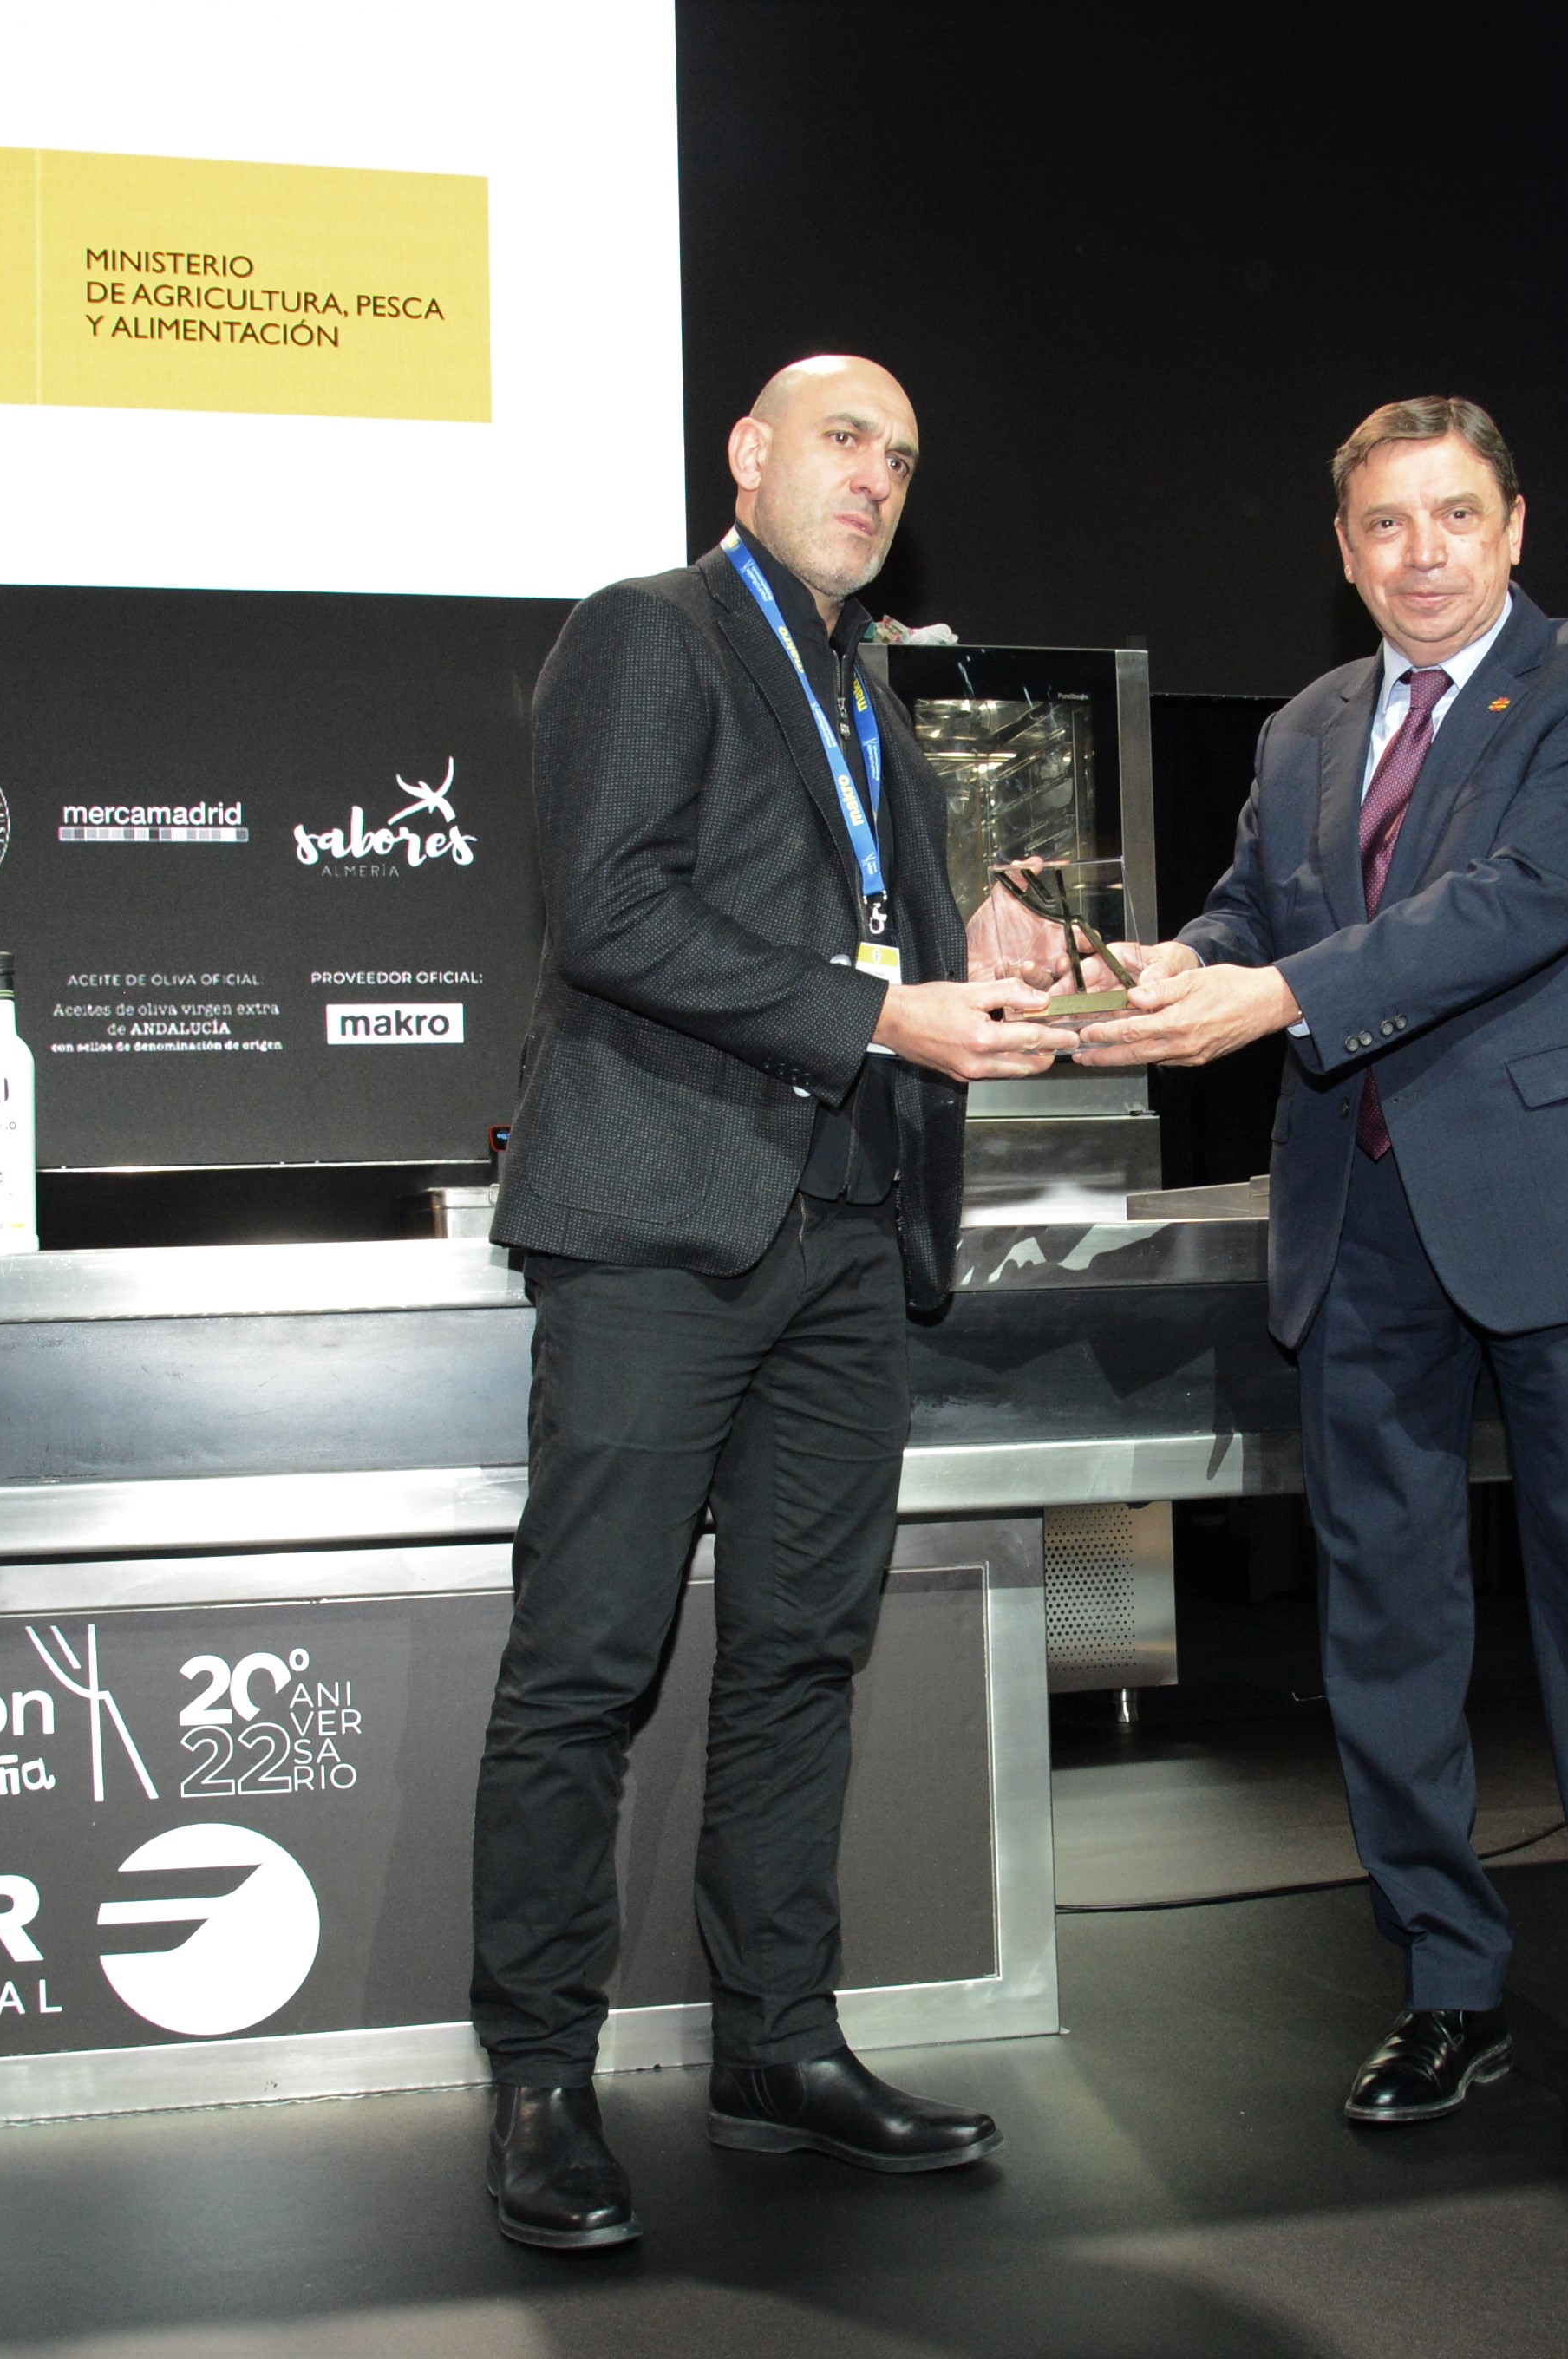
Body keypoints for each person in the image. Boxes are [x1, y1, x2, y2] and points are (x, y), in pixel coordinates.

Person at [1075, 396, 1568, 2154]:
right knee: (1381, 1631)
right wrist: (1170, 965)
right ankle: (1447, 1989)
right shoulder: (1305, 725)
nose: (1421, 552)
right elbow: (1253, 910)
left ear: (1513, 528)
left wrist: (1278, 994)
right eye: (1386, 523)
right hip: (1357, 1225)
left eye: (1454, 516)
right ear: (1344, 551)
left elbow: (1516, 900)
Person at [470, 355, 1072, 2250]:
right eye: (843, 440)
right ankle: (539, 2077)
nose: (877, 476)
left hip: (843, 1234)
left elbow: (849, 926)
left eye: (903, 456)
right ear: (746, 454)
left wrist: (980, 950)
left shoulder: (863, 681)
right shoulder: (645, 631)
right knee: (587, 1661)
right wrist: (883, 1011)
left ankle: (778, 2045)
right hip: (662, 1222)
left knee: (802, 1654)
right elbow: (610, 912)